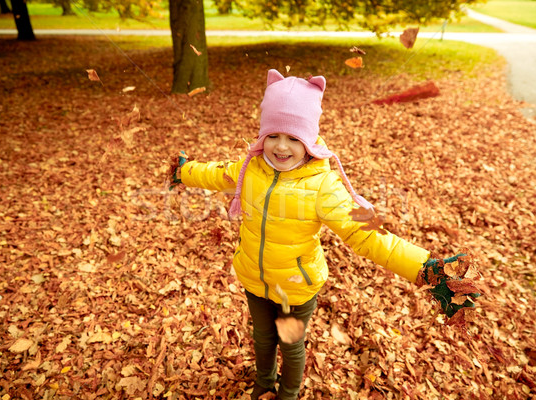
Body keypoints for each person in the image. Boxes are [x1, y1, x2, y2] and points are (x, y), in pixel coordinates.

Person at [170, 69, 479, 400]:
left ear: (309, 142)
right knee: (262, 337)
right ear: (263, 136)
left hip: (294, 289)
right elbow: (214, 173)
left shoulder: (323, 186)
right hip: (254, 279)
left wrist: (423, 267)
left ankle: (288, 393)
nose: (281, 146)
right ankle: (263, 379)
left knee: (289, 344)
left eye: (294, 138)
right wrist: (183, 171)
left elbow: (366, 233)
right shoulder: (250, 168)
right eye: (273, 135)